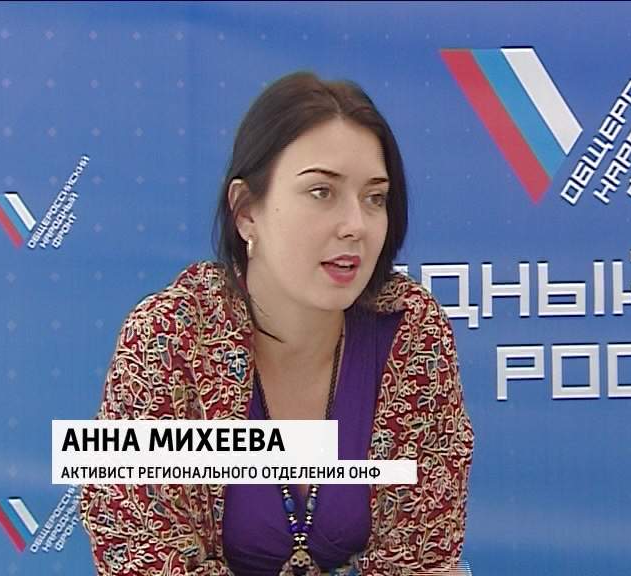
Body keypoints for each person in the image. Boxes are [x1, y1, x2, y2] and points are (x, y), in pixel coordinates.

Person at [80, 71, 474, 576]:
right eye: (321, 192)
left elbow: (423, 553)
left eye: (374, 198)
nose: (355, 224)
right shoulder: (169, 338)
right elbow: (141, 551)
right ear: (247, 212)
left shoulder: (410, 332)